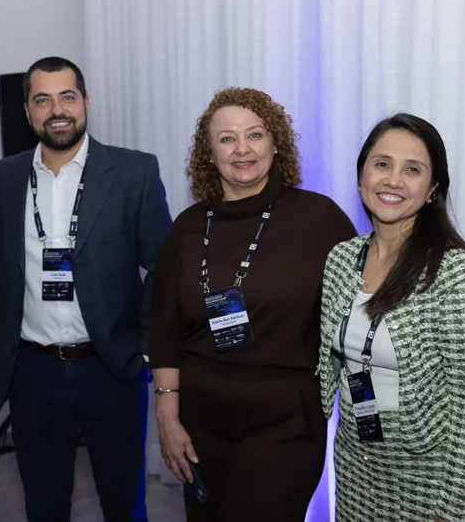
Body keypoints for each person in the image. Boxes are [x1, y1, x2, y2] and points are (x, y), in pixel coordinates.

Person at [148, 87, 357, 521]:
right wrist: (167, 416)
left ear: (276, 143)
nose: (242, 149)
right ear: (209, 154)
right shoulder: (188, 227)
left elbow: (359, 313)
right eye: (227, 138)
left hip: (284, 423)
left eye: (255, 135)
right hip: (200, 423)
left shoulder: (320, 219)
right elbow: (165, 325)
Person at [0, 56, 172, 522]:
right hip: (33, 373)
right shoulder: (3, 178)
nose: (57, 110)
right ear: (27, 112)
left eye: (67, 97)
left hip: (111, 368)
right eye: (42, 100)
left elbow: (165, 268)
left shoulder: (133, 172)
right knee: (44, 506)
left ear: (85, 102)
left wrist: (145, 348)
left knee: (124, 505)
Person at [317, 113, 465, 522]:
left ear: (433, 188)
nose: (393, 180)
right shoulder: (341, 259)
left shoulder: (457, 273)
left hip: (435, 478)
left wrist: (454, 509)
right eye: (382, 164)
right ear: (362, 176)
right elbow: (330, 364)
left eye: (413, 169)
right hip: (357, 470)